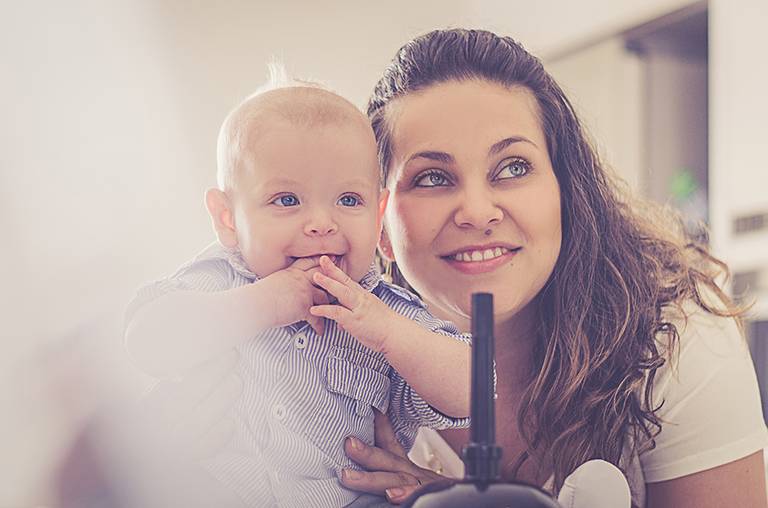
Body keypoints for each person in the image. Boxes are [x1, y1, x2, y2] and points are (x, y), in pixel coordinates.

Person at [331, 29, 768, 508]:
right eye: (432, 177)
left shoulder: (673, 336)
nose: (477, 212)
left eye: (513, 167)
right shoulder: (337, 371)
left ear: (566, 191)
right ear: (380, 226)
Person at [123, 73, 473, 507]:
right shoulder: (220, 279)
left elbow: (473, 385)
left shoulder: (384, 309)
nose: (322, 223)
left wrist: (388, 334)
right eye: (287, 199)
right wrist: (261, 304)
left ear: (378, 212)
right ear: (227, 217)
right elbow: (146, 338)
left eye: (348, 200)